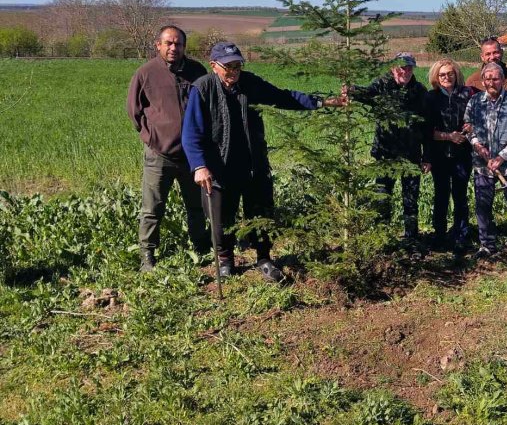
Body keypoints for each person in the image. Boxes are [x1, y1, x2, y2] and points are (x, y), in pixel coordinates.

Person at [181, 41, 344, 281]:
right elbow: (190, 132)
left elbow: (283, 97)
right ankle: (225, 260)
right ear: (214, 66)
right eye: (228, 67)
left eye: (237, 65)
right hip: (218, 167)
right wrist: (200, 166)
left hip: (252, 164)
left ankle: (264, 258)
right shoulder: (202, 88)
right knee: (220, 219)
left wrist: (323, 102)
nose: (234, 71)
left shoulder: (251, 83)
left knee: (260, 214)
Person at [127, 25, 209, 272]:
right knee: (152, 208)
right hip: (159, 155)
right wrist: (151, 137)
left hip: (192, 156)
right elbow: (134, 111)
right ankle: (148, 256)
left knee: (196, 205)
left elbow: (207, 106)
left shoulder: (197, 72)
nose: (174, 48)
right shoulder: (145, 74)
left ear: (184, 46)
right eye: (169, 43)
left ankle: (201, 247)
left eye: (179, 44)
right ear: (158, 45)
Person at [349, 53, 430, 243]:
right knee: (382, 196)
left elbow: (426, 127)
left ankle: (411, 238)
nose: (405, 71)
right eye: (401, 67)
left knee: (410, 199)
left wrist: (427, 156)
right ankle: (382, 238)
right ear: (393, 68)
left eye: (409, 67)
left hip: (411, 154)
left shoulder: (419, 91)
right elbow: (367, 94)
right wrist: (351, 90)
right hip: (385, 153)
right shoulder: (382, 85)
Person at [464, 62, 507, 272]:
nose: (491, 82)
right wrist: (477, 145)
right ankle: (487, 245)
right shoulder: (475, 101)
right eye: (488, 79)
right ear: (483, 81)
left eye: (495, 78)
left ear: (503, 80)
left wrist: (501, 157)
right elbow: (468, 126)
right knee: (483, 206)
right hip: (483, 166)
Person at [423, 59, 476, 256]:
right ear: (436, 77)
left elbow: (475, 116)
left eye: (450, 74)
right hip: (440, 155)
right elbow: (427, 131)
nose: (447, 77)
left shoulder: (467, 93)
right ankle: (439, 235)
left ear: (456, 74)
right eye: (442, 75)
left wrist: (470, 126)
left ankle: (461, 235)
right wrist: (448, 136)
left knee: (460, 196)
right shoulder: (431, 98)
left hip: (462, 154)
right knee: (441, 195)